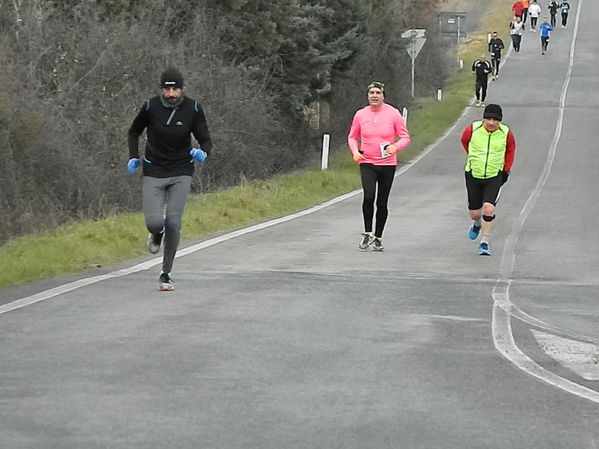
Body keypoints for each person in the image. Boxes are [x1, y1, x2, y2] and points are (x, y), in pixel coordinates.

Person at [127, 68, 213, 291]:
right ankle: (156, 232)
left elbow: (205, 138)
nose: (171, 93)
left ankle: (166, 273)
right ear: (162, 89)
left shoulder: (193, 108)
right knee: (155, 222)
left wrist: (203, 153)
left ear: (182, 89)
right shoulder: (150, 107)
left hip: (181, 170)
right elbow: (133, 132)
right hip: (154, 169)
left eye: (175, 89)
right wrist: (133, 157)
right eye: (167, 89)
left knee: (174, 222)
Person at [347, 81, 411, 252]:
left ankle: (378, 237)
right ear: (367, 96)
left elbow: (405, 137)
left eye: (378, 93)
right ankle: (367, 233)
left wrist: (395, 147)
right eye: (371, 93)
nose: (374, 96)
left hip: (387, 164)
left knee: (382, 202)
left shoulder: (393, 114)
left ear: (383, 95)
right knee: (369, 196)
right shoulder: (360, 114)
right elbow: (352, 137)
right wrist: (355, 151)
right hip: (367, 162)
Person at [460, 104, 516, 256]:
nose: (491, 123)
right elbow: (465, 142)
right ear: (483, 119)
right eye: (488, 119)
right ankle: (477, 224)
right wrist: (474, 158)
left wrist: (505, 170)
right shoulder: (472, 129)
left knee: (489, 209)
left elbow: (510, 151)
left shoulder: (506, 133)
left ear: (500, 121)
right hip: (473, 174)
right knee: (475, 214)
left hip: (494, 176)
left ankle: (484, 242)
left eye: (495, 120)